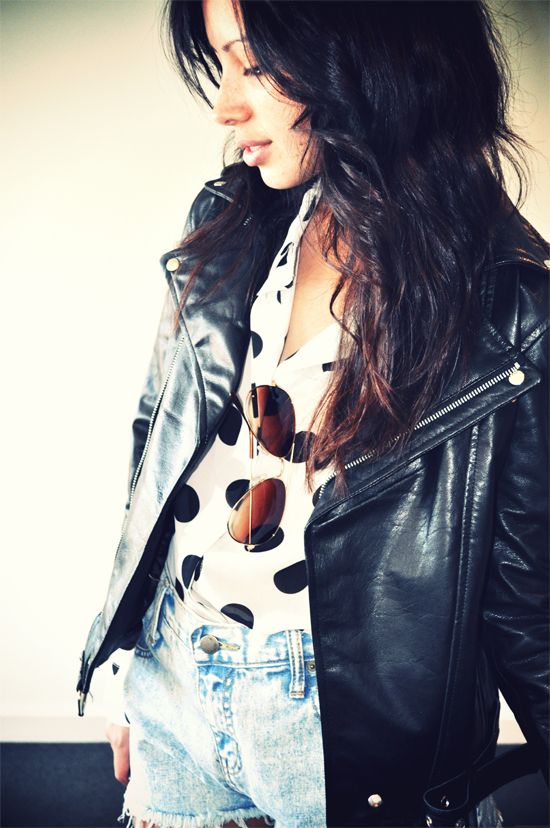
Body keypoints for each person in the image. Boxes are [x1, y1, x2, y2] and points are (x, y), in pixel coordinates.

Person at [77, 1, 549, 826]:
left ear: (369, 52)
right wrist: (126, 661)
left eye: (254, 63)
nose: (224, 106)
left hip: (346, 734)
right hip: (175, 670)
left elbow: (529, 602)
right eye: (222, 64)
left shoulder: (508, 309)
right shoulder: (232, 221)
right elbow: (158, 450)